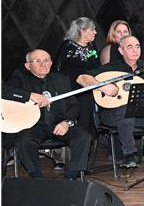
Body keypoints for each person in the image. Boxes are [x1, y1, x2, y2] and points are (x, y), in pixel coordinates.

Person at [78, 36, 144, 174]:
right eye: (129, 47)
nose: (135, 50)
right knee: (125, 110)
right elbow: (81, 78)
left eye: (137, 46)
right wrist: (103, 87)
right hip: (111, 114)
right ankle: (129, 155)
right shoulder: (112, 67)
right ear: (121, 51)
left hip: (139, 114)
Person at [3, 50, 91, 180]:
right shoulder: (20, 78)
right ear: (28, 66)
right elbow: (5, 92)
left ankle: (71, 177)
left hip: (58, 124)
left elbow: (74, 106)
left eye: (46, 60)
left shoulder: (61, 79)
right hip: (33, 126)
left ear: (51, 63)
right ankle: (38, 178)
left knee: (83, 137)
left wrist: (66, 123)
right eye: (37, 61)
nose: (43, 64)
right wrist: (30, 96)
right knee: (24, 142)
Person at [54, 17, 100, 136]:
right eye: (92, 30)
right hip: (74, 90)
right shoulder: (68, 46)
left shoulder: (92, 45)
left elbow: (97, 66)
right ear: (83, 31)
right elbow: (59, 69)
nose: (95, 32)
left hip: (91, 86)